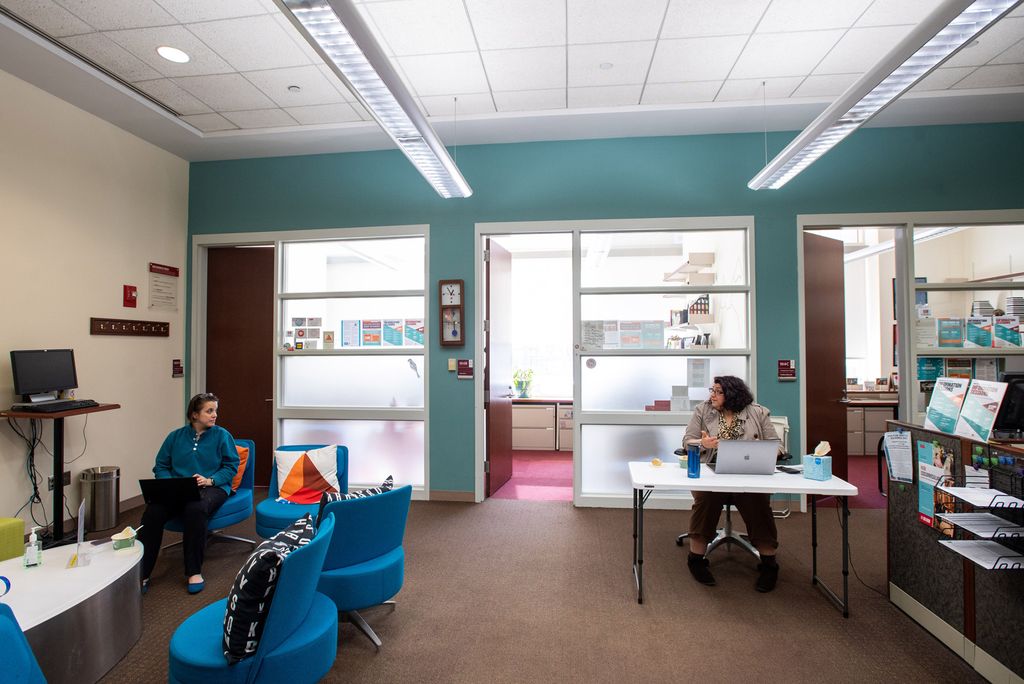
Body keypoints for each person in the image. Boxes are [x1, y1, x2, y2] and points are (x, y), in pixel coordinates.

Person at [682, 375, 783, 592]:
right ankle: (696, 560)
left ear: (732, 394)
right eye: (712, 390)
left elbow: (776, 445)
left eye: (718, 391)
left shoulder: (757, 411)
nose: (712, 395)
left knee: (757, 502)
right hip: (712, 473)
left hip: (748, 474)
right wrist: (702, 442)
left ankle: (768, 564)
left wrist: (766, 451)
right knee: (706, 498)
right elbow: (687, 441)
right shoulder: (703, 410)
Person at [137, 392, 238, 594]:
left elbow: (230, 466)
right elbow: (161, 466)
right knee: (153, 512)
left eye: (215, 411)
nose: (214, 415)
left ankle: (193, 571)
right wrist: (170, 484)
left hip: (213, 487)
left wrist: (210, 480)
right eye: (209, 411)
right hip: (177, 488)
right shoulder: (175, 437)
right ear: (194, 414)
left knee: (196, 508)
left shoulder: (222, 435)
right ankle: (142, 573)